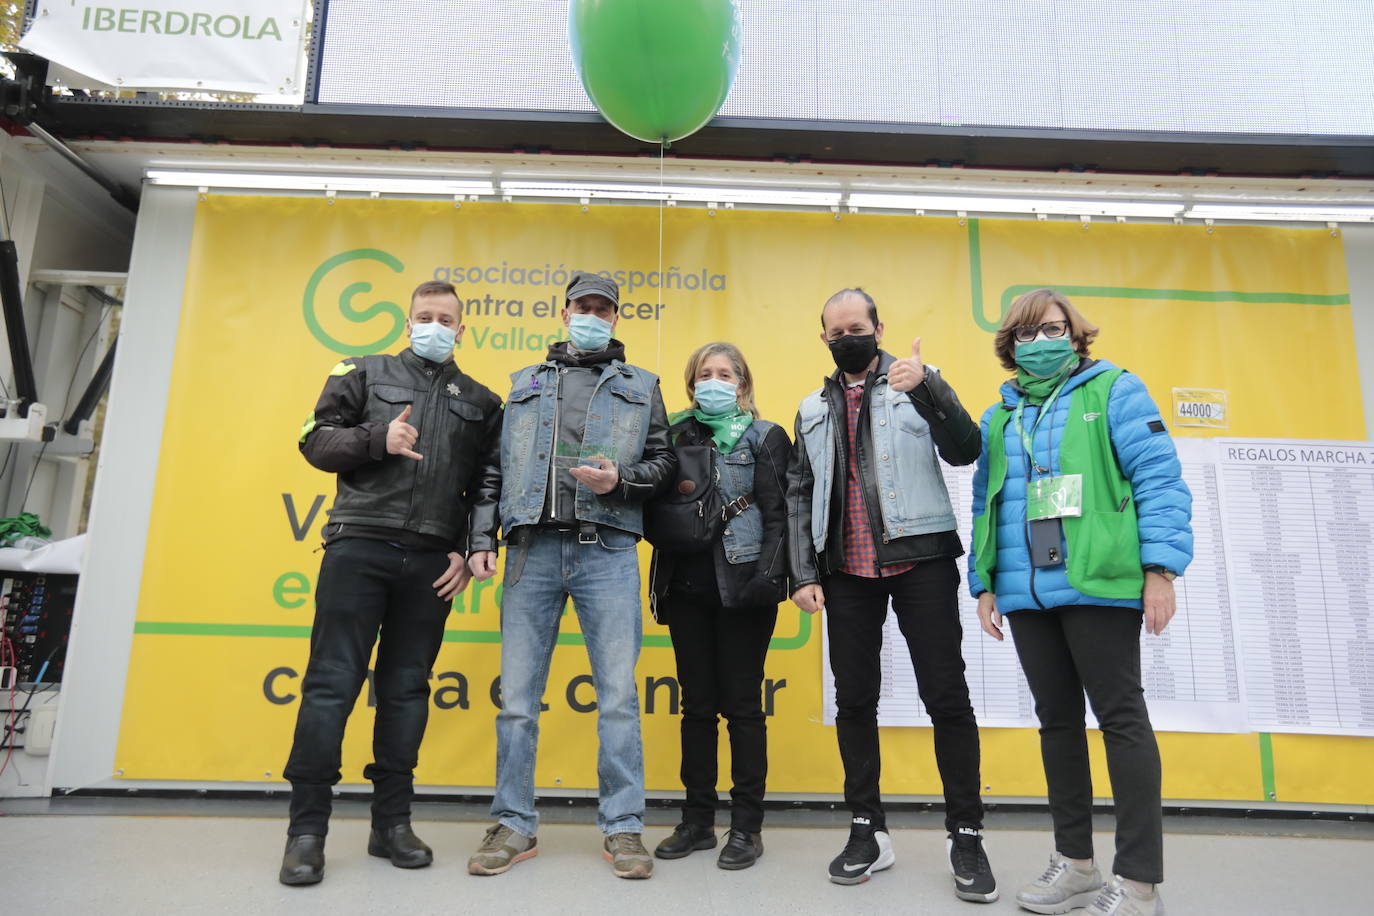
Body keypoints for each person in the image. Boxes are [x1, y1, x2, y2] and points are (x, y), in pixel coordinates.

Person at [967, 288, 1192, 916]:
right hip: (1027, 588)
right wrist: (983, 580)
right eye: (1026, 334)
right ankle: (1075, 866)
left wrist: (1161, 570)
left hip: (1100, 580)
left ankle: (1140, 882)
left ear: (1076, 332)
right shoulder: (999, 416)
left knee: (1121, 721)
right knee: (1057, 725)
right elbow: (989, 501)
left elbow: (1158, 477)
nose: (1039, 343)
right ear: (1010, 346)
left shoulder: (1114, 390)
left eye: (1052, 329)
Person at [279, 280, 503, 886]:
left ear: (463, 330)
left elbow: (487, 483)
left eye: (446, 318)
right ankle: (306, 832)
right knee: (330, 686)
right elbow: (313, 440)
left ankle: (392, 825)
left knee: (406, 692)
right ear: (408, 323)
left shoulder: (482, 401)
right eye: (424, 316)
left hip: (432, 563)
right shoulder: (361, 371)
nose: (434, 325)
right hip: (359, 546)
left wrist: (470, 546)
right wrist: (377, 439)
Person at [786, 287, 997, 901]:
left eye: (858, 324)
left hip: (920, 562)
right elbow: (801, 494)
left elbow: (965, 451)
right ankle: (867, 830)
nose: (848, 334)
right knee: (854, 703)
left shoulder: (916, 384)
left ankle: (966, 834)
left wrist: (928, 385)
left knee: (947, 698)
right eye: (837, 329)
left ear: (878, 327)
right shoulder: (809, 408)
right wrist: (803, 572)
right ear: (824, 338)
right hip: (845, 573)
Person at [465, 270, 676, 880]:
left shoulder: (642, 384)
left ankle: (625, 828)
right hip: (530, 551)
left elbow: (663, 464)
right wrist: (482, 538)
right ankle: (513, 823)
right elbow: (494, 469)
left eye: (603, 309)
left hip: (605, 551)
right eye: (583, 307)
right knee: (518, 704)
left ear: (616, 318)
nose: (593, 316)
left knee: (616, 699)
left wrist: (623, 482)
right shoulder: (525, 383)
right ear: (565, 313)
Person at [647, 342, 791, 871]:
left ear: (743, 384)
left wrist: (768, 576)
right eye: (704, 374)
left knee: (744, 709)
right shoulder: (673, 433)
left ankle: (747, 826)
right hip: (685, 588)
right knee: (697, 707)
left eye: (725, 373)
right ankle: (697, 821)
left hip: (744, 587)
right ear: (691, 384)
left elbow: (780, 512)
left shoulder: (765, 436)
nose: (714, 381)